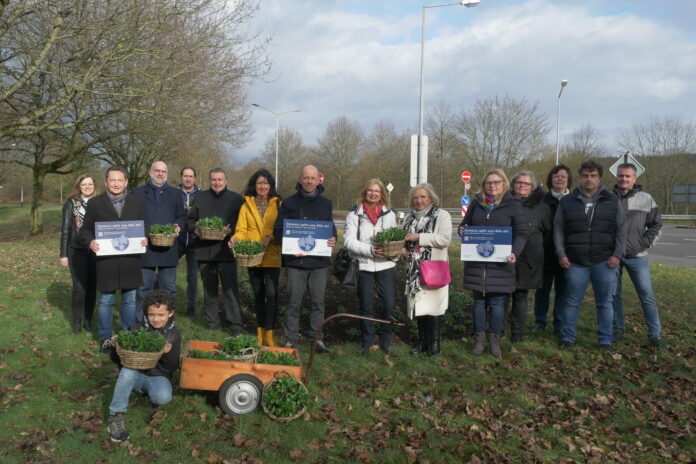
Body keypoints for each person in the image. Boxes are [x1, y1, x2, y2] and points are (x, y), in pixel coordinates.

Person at [554, 160, 625, 349]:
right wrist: (561, 254)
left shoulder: (612, 200)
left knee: (605, 303)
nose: (589, 179)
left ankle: (605, 340)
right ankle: (568, 338)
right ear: (580, 176)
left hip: (605, 261)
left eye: (593, 176)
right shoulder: (567, 201)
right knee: (571, 302)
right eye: (585, 175)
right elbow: (558, 230)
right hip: (575, 262)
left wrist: (617, 255)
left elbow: (621, 230)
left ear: (599, 178)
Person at [460, 170, 527, 357]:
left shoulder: (513, 205)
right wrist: (462, 230)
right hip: (477, 265)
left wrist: (515, 252)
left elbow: (521, 233)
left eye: (497, 182)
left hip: (501, 264)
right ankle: (479, 339)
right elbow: (464, 225)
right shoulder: (476, 204)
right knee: (478, 304)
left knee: (497, 304)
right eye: (489, 182)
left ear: (504, 184)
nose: (492, 185)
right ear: (483, 185)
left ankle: (494, 340)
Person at [79, 166, 148, 349]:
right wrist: (91, 242)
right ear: (106, 182)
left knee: (130, 299)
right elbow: (85, 230)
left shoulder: (136, 202)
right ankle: (105, 338)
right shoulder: (95, 203)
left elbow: (144, 226)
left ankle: (126, 335)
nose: (116, 184)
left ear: (126, 182)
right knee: (106, 300)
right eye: (112, 180)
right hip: (106, 261)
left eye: (120, 180)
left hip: (130, 260)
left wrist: (144, 238)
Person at [273, 165, 337, 353]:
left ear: (318, 180)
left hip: (319, 264)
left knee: (318, 303)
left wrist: (334, 238)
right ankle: (290, 339)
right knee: (293, 301)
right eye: (306, 178)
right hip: (296, 263)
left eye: (312, 178)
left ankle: (317, 339)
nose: (309, 181)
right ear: (300, 179)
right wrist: (290, 248)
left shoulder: (326, 203)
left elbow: (330, 227)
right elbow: (277, 230)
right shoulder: (289, 203)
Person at [106, 289, 181, 443]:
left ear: (170, 313)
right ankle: (116, 417)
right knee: (127, 372)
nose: (156, 319)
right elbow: (118, 361)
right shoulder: (135, 329)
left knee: (163, 396)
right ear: (146, 313)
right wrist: (114, 347)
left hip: (158, 375)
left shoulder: (173, 334)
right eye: (151, 314)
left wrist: (167, 352)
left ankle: (149, 395)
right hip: (135, 374)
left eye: (161, 315)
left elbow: (172, 367)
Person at [612, 163, 666, 349]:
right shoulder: (608, 199)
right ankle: (617, 330)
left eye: (628, 176)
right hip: (613, 257)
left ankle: (654, 335)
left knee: (646, 295)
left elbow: (656, 225)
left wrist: (644, 243)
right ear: (616, 177)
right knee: (614, 295)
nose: (624, 179)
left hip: (638, 256)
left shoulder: (646, 199)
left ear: (635, 179)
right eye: (621, 176)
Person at [186, 168, 244, 333]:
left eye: (220, 179)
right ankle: (212, 322)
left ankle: (235, 324)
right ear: (209, 181)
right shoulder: (200, 197)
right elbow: (190, 220)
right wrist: (196, 231)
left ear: (226, 181)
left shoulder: (236, 199)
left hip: (226, 251)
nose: (217, 183)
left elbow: (242, 223)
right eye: (213, 180)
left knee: (230, 289)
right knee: (209, 288)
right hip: (204, 250)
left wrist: (230, 231)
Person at [343, 179, 397, 355]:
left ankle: (385, 339)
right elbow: (348, 241)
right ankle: (367, 342)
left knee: (388, 304)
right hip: (364, 265)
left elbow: (395, 238)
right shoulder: (354, 215)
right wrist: (371, 250)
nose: (373, 194)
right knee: (366, 305)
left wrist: (394, 252)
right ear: (365, 192)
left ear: (382, 194)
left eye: (377, 191)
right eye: (370, 191)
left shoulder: (389, 214)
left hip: (386, 265)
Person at [230, 169, 282, 347]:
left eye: (266, 183)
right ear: (254, 185)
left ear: (270, 186)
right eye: (259, 183)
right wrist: (237, 238)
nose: (263, 186)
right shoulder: (246, 205)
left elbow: (282, 228)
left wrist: (272, 238)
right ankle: (260, 332)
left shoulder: (278, 204)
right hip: (253, 256)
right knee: (258, 294)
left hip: (272, 255)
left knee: (272, 294)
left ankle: (270, 331)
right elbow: (242, 229)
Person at [132, 161, 186, 322]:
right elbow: (132, 217)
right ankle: (140, 322)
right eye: (157, 170)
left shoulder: (176, 194)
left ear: (167, 174)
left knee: (168, 289)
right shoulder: (137, 193)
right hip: (146, 247)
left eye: (164, 171)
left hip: (168, 248)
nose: (160, 174)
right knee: (143, 289)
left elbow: (181, 216)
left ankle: (167, 322)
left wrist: (178, 225)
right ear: (150, 172)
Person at [403, 183, 452, 356]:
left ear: (431, 198)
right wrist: (404, 253)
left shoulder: (442, 215)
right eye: (416, 197)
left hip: (434, 269)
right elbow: (404, 242)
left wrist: (420, 237)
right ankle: (423, 342)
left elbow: (444, 239)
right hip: (414, 271)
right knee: (420, 306)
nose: (419, 200)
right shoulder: (409, 218)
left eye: (423, 196)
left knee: (434, 307)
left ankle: (434, 344)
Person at [507, 171, 551, 342]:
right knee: (502, 295)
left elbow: (548, 232)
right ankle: (499, 331)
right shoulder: (504, 202)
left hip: (529, 258)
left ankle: (517, 333)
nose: (522, 186)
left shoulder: (541, 206)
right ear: (512, 184)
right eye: (519, 182)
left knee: (521, 295)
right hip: (505, 256)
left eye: (527, 184)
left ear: (532, 188)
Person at [533, 165, 572, 334]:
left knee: (563, 291)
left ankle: (559, 323)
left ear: (568, 180)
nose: (560, 179)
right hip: (545, 253)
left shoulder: (575, 200)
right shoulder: (542, 200)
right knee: (543, 290)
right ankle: (540, 322)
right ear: (551, 179)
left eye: (563, 176)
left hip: (567, 254)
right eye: (556, 176)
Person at [60, 174, 98, 334]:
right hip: (76, 250)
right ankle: (76, 324)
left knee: (92, 287)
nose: (87, 187)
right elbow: (65, 229)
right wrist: (63, 254)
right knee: (79, 288)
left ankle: (88, 321)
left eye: (90, 184)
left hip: (95, 251)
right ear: (79, 186)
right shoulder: (71, 204)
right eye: (84, 184)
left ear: (94, 186)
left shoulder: (99, 203)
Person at [177, 166, 201, 318]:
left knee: (192, 277)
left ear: (195, 178)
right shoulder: (173, 193)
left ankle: (191, 309)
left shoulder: (201, 195)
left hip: (194, 241)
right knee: (167, 273)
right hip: (177, 240)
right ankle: (165, 305)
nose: (188, 178)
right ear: (181, 177)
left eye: (190, 176)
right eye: (185, 176)